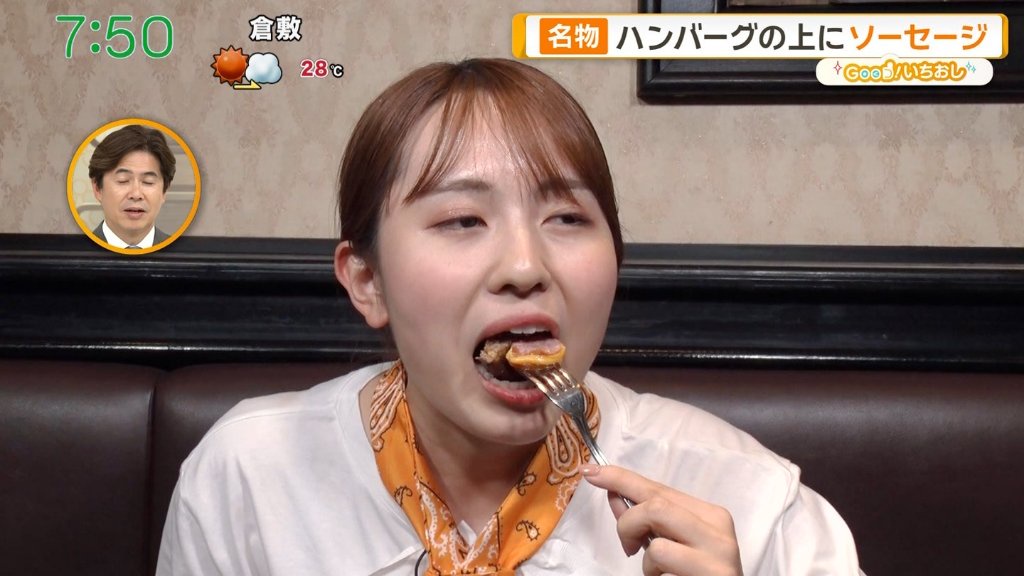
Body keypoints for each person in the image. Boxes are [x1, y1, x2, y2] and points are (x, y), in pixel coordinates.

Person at [156, 58, 862, 575]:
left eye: (567, 217)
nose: (525, 265)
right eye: (463, 219)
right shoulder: (251, 476)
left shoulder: (746, 497)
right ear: (367, 280)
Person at [88, 124, 175, 248]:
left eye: (148, 182)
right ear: (97, 188)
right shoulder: (74, 253)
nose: (136, 194)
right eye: (123, 180)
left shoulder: (184, 253)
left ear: (164, 191)